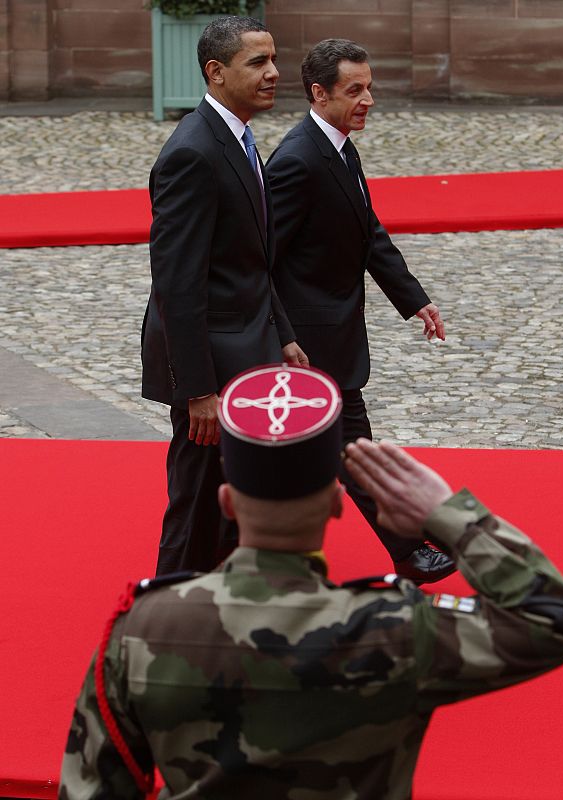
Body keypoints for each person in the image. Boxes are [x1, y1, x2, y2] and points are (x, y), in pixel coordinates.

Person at [60, 363, 563, 800]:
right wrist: (449, 517)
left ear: (226, 502)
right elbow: (558, 618)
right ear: (339, 503)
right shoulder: (394, 629)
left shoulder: (143, 629)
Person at [266, 38, 453, 584]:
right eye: (355, 90)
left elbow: (368, 232)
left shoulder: (340, 147)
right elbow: (260, 261)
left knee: (321, 453)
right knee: (351, 449)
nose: (368, 98)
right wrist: (281, 334)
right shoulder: (298, 160)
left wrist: (414, 298)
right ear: (319, 93)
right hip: (307, 343)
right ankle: (408, 550)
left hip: (331, 334)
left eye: (369, 87)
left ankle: (269, 555)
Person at [141, 16, 307, 576]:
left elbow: (251, 261)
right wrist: (198, 390)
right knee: (197, 500)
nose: (274, 73)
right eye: (257, 62)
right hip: (211, 368)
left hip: (248, 347)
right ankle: (166, 613)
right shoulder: (193, 153)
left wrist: (282, 334)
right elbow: (177, 282)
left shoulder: (238, 136)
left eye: (273, 59)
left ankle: (227, 603)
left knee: (237, 497)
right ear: (216, 72)